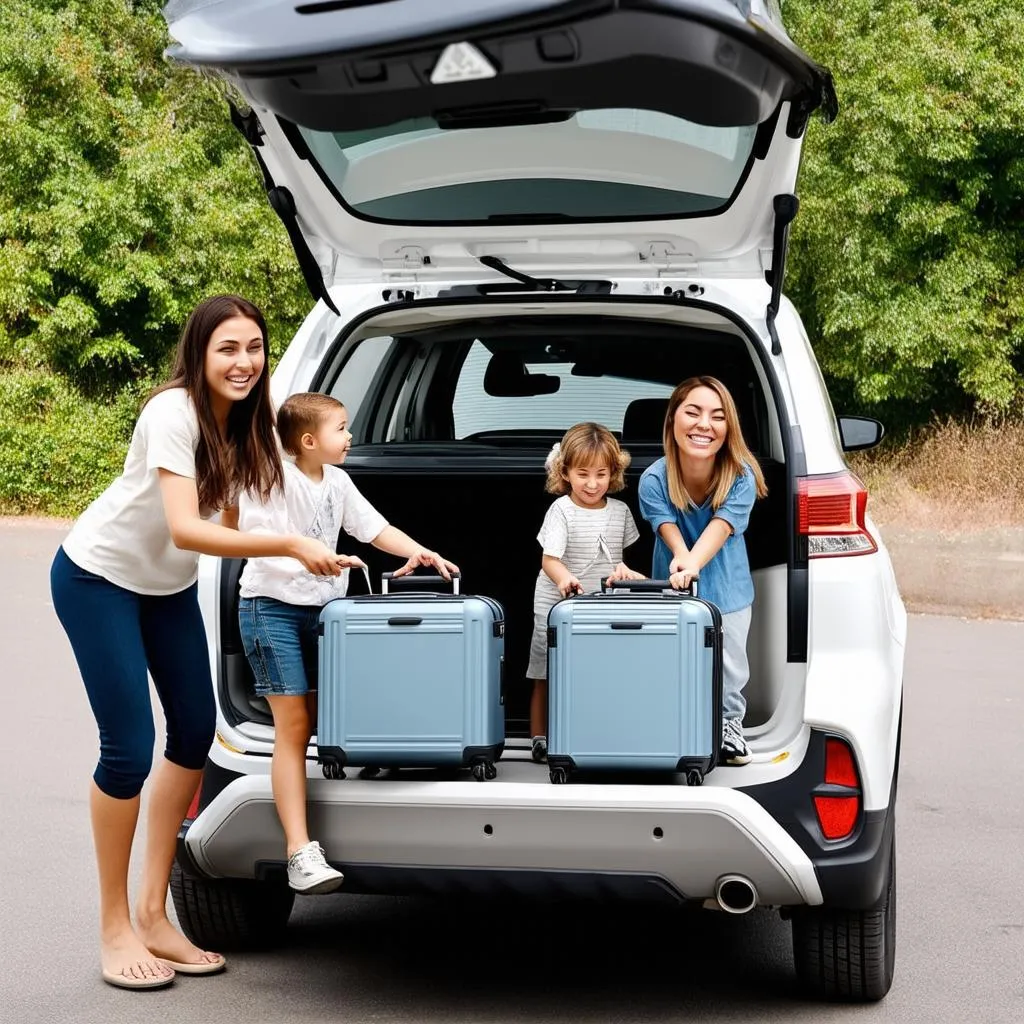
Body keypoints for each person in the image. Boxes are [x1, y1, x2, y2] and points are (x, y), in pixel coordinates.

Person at [49, 295, 351, 990]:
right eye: (228, 349)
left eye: (254, 347)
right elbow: (188, 527)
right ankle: (115, 924)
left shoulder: (253, 425)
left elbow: (264, 504)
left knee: (192, 734)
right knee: (126, 747)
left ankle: (156, 915)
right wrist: (285, 545)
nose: (243, 362)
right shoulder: (173, 412)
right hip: (99, 577)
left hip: (167, 588)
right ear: (200, 353)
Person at [237, 391, 460, 894]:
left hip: (325, 615)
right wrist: (327, 559)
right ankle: (299, 849)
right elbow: (263, 540)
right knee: (293, 726)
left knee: (320, 718)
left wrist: (422, 553)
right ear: (309, 441)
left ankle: (329, 819)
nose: (351, 435)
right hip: (269, 610)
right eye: (341, 428)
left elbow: (375, 530)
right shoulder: (274, 479)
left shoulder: (337, 480)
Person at [637, 376, 768, 765]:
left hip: (727, 592)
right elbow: (668, 530)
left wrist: (692, 562)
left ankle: (730, 726)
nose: (703, 425)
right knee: (671, 663)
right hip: (672, 594)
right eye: (692, 412)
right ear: (672, 420)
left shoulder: (740, 475)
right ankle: (672, 729)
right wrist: (681, 557)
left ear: (729, 429)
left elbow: (720, 529)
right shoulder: (654, 480)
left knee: (728, 668)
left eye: (717, 416)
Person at [526, 422, 645, 763]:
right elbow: (549, 560)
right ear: (564, 472)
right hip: (556, 600)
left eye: (601, 474)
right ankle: (539, 737)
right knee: (545, 669)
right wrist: (565, 580)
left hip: (599, 604)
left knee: (595, 668)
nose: (592, 484)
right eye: (582, 474)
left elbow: (619, 560)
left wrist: (623, 574)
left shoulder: (620, 512)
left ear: (614, 473)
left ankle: (593, 730)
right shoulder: (561, 510)